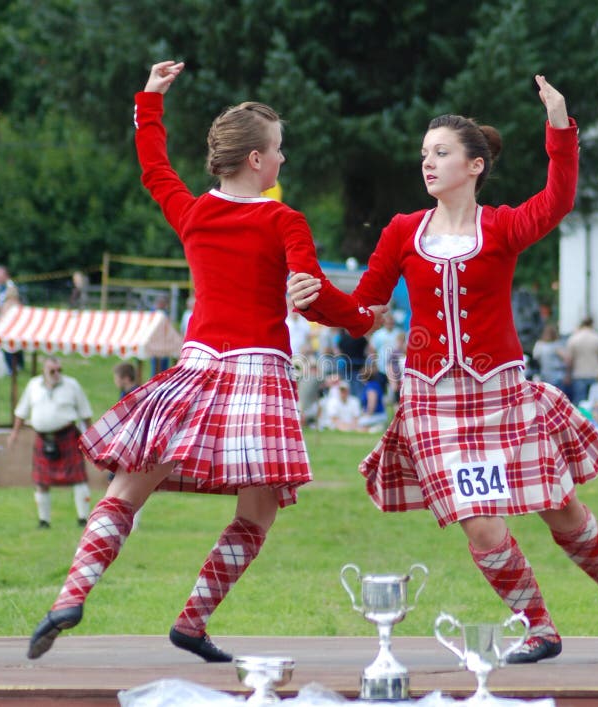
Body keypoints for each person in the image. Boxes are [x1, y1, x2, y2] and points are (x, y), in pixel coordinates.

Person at [288, 75, 598, 664]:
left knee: (563, 510)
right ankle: (539, 627)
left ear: (474, 166)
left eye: (441, 152)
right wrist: (316, 300)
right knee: (481, 525)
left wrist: (559, 126)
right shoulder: (402, 231)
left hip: (502, 395)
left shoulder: (501, 225)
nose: (428, 162)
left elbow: (558, 201)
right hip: (432, 404)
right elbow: (365, 313)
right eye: (424, 153)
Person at [26, 60, 383, 663]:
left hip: (195, 368)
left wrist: (149, 101)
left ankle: (70, 596)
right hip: (258, 375)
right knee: (259, 509)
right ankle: (192, 621)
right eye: (279, 150)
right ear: (256, 160)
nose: (283, 159)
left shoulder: (193, 213)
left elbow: (154, 169)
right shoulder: (284, 219)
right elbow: (314, 295)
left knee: (129, 484)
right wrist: (364, 319)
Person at [9, 356, 93, 529]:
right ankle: (44, 521)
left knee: (78, 478)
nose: (56, 374)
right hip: (43, 438)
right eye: (52, 371)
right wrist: (14, 433)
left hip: (67, 436)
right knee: (41, 481)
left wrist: (91, 436)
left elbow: (85, 413)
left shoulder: (72, 385)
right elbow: (21, 411)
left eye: (59, 370)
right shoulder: (33, 385)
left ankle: (83, 518)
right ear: (44, 371)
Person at [566, 316, 598, 405]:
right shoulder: (597, 338)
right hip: (594, 373)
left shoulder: (574, 338)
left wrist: (568, 374)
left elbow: (569, 359)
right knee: (594, 402)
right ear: (592, 324)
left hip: (578, 374)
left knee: (579, 402)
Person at [531, 323, 569, 395]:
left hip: (556, 376)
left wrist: (567, 374)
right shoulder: (540, 344)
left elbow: (566, 358)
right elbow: (535, 359)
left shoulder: (556, 345)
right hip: (545, 376)